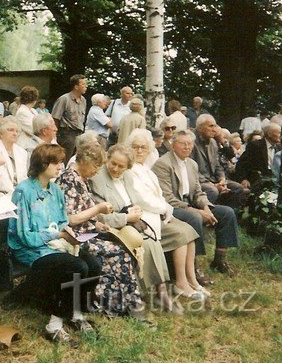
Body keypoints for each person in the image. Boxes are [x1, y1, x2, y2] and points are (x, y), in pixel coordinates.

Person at [9, 144, 102, 345]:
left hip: (57, 244)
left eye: (61, 161)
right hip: (32, 249)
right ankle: (54, 325)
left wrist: (67, 232)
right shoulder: (24, 191)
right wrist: (57, 234)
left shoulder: (55, 190)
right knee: (76, 267)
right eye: (56, 162)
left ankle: (75, 313)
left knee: (94, 265)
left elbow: (62, 220)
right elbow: (24, 235)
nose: (60, 166)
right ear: (42, 164)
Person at [89, 145, 188, 313]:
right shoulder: (98, 179)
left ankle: (161, 292)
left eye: (121, 166)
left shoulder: (127, 177)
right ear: (107, 159)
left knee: (153, 241)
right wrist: (126, 218)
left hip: (130, 224)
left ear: (128, 167)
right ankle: (141, 294)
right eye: (113, 163)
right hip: (110, 228)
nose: (116, 169)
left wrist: (136, 211)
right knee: (145, 244)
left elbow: (135, 200)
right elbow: (101, 216)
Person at [56, 143, 152, 317]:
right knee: (117, 252)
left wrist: (97, 224)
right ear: (84, 160)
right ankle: (113, 304)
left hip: (87, 232)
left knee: (121, 250)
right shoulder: (70, 179)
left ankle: (125, 303)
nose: (97, 171)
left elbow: (82, 213)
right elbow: (71, 219)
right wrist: (98, 210)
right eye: (95, 166)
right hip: (74, 237)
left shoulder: (80, 179)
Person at [126, 129, 206, 300]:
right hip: (145, 217)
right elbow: (142, 199)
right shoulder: (129, 170)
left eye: (143, 147)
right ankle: (181, 283)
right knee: (181, 233)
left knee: (189, 230)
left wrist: (166, 209)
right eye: (135, 147)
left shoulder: (146, 169)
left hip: (159, 214)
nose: (139, 151)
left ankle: (191, 279)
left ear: (148, 150)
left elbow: (159, 195)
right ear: (129, 148)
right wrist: (165, 209)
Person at [152, 130, 239, 279]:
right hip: (172, 208)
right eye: (182, 143)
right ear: (173, 145)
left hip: (190, 203)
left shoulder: (192, 164)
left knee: (227, 213)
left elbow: (198, 192)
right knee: (194, 217)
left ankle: (219, 260)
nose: (187, 147)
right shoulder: (163, 164)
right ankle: (193, 265)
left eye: (190, 143)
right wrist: (197, 212)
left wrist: (206, 207)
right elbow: (167, 198)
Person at [191, 114, 246, 208]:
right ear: (200, 128)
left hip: (214, 180)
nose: (214, 129)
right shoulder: (191, 141)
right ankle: (208, 215)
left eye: (215, 126)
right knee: (213, 190)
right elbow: (191, 170)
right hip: (199, 181)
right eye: (211, 126)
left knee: (237, 188)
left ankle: (225, 213)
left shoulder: (213, 142)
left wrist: (222, 180)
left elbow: (217, 165)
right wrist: (213, 184)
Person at [234, 122, 282, 193]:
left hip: (276, 178)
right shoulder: (255, 146)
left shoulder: (279, 147)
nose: (281, 136)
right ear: (269, 134)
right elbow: (242, 164)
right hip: (260, 179)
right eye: (279, 133)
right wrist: (243, 179)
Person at [51, 74, 87, 163]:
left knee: (76, 160)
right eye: (83, 84)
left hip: (79, 134)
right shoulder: (64, 99)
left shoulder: (84, 100)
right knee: (64, 160)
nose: (86, 86)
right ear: (76, 87)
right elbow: (55, 118)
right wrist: (54, 136)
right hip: (66, 135)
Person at [0, 116, 28, 196]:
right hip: (0, 195)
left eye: (17, 131)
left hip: (21, 195)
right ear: (1, 133)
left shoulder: (22, 152)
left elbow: (24, 177)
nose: (15, 133)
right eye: (11, 130)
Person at [14, 86, 40, 150]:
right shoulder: (22, 112)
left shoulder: (33, 111)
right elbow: (33, 129)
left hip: (33, 143)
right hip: (24, 145)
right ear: (34, 100)